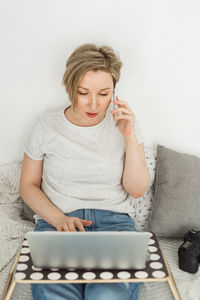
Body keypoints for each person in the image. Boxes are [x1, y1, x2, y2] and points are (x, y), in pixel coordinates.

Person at [20, 43, 150, 300]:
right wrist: (58, 219)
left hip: (115, 226)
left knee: (106, 295)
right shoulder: (46, 124)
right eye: (83, 93)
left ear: (114, 90)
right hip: (58, 226)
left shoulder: (125, 124)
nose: (94, 104)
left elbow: (136, 190)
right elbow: (28, 185)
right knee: (56, 294)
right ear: (70, 88)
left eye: (104, 93)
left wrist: (129, 138)